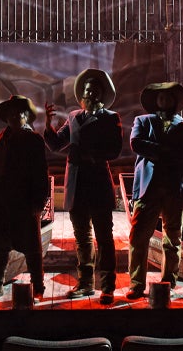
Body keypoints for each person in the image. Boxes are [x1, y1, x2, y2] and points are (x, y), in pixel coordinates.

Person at [44, 68, 123, 305]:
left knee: (104, 236)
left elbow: (115, 150)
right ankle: (85, 284)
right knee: (82, 237)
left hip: (97, 182)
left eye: (94, 90)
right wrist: (48, 124)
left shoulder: (111, 117)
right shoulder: (74, 117)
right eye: (87, 90)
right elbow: (57, 144)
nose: (89, 93)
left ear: (101, 94)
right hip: (76, 183)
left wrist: (91, 155)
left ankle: (108, 286)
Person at [126, 82, 183, 300]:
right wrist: (166, 151)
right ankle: (137, 284)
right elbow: (136, 143)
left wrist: (156, 151)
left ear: (175, 101)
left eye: (168, 97)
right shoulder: (143, 121)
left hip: (175, 189)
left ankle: (168, 282)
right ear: (156, 101)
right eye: (160, 97)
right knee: (138, 237)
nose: (164, 101)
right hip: (149, 188)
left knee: (172, 239)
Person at [0, 96, 51, 298]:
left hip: (24, 199)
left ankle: (38, 286)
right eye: (10, 113)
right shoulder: (0, 138)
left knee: (31, 246)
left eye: (19, 113)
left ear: (27, 116)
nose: (14, 116)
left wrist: (39, 201)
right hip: (1, 199)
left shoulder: (33, 139)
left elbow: (40, 172)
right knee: (0, 246)